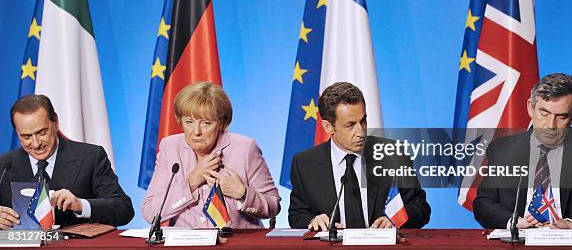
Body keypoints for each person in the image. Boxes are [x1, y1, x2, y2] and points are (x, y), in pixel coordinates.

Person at [473, 73, 572, 230]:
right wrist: (515, 223)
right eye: (544, 113)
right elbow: (483, 203)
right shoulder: (502, 149)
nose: (550, 124)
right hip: (519, 239)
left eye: (561, 117)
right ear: (530, 107)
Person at [289, 82, 430, 231]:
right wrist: (313, 220)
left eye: (363, 121)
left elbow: (420, 208)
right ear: (328, 127)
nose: (361, 132)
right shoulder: (304, 164)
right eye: (350, 125)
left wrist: (396, 220)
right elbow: (297, 214)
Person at [142, 82, 280, 228]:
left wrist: (242, 193)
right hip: (186, 245)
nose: (196, 132)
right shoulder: (170, 147)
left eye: (206, 123)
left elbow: (273, 206)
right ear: (180, 121)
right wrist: (192, 181)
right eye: (189, 122)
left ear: (222, 123)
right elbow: (150, 212)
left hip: (237, 243)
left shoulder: (245, 148)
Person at [0, 94, 134, 229]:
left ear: (56, 122)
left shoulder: (91, 157)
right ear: (17, 133)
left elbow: (124, 209)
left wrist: (81, 205)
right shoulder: (3, 165)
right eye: (26, 136)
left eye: (41, 132)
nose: (35, 144)